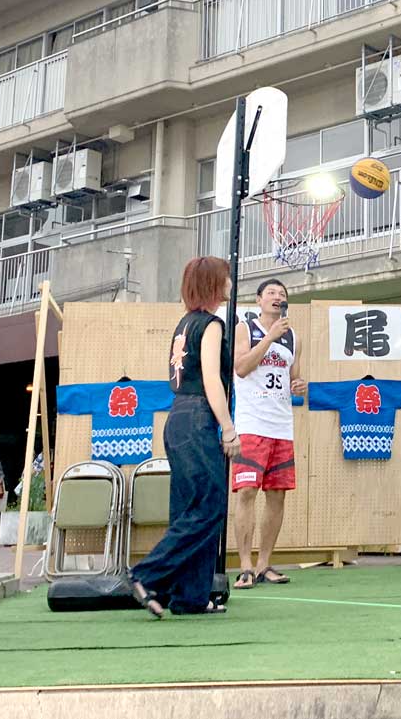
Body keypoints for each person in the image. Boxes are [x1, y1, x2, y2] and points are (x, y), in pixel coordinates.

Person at [130, 256, 239, 618]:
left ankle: (190, 597)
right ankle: (147, 574)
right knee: (210, 506)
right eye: (225, 278)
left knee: (189, 509)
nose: (229, 283)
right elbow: (212, 379)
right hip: (198, 418)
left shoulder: (184, 323)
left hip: (178, 417)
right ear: (213, 283)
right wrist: (228, 426)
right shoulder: (210, 325)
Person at [231, 278, 306, 589]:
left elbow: (294, 378)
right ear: (259, 300)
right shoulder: (245, 329)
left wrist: (300, 386)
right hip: (251, 424)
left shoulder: (293, 338)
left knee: (277, 495)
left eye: (282, 294)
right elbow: (241, 367)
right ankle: (245, 565)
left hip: (281, 426)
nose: (278, 298)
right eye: (272, 293)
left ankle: (264, 564)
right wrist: (269, 337)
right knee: (247, 492)